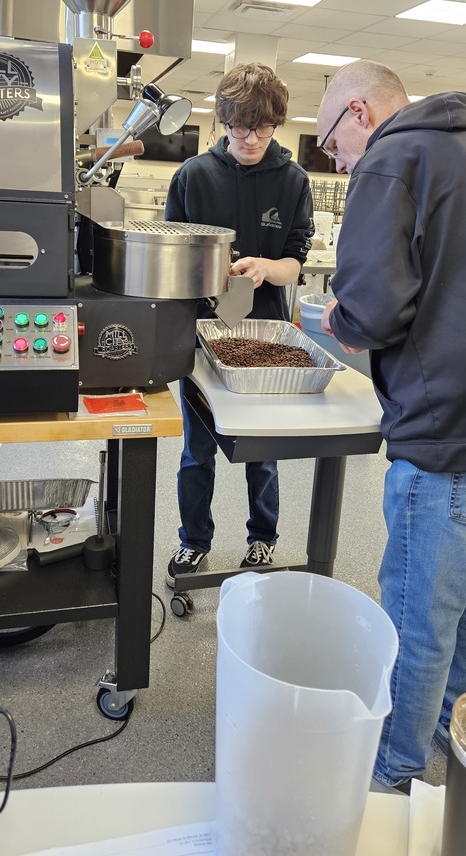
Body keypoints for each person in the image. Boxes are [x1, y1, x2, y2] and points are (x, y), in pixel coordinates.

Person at [317, 59, 466, 794]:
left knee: (417, 613)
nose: (336, 162)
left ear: (359, 112)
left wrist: (339, 316)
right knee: (460, 605)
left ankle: (392, 771)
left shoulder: (392, 159)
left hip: (439, 426)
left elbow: (374, 309)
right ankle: (447, 724)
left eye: (331, 144)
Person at [165, 61, 313, 586]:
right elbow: (171, 258)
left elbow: (295, 260)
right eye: (240, 127)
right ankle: (193, 541)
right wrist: (206, 272)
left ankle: (262, 538)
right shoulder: (193, 176)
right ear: (222, 123)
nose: (251, 139)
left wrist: (267, 267)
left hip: (265, 339)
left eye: (263, 128)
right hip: (201, 336)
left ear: (277, 123)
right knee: (197, 450)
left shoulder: (294, 181)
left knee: (262, 452)